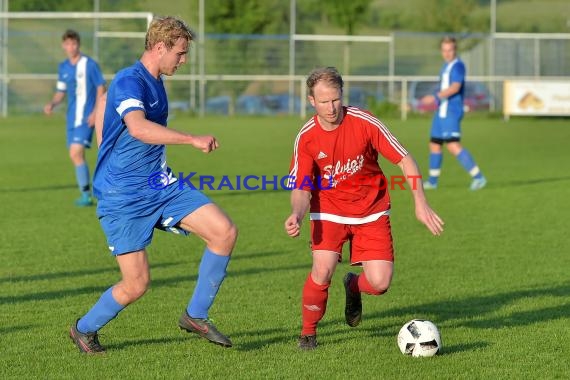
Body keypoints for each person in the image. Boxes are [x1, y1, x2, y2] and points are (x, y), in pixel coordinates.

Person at [69, 16, 238, 354]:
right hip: (123, 198)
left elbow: (106, 110)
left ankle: (195, 315)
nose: (184, 60)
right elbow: (138, 128)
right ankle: (83, 329)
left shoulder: (155, 79)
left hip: (159, 184)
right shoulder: (131, 81)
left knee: (224, 231)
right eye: (180, 53)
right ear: (160, 48)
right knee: (136, 284)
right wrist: (191, 139)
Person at [284, 67, 444, 350]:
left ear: (342, 95)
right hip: (329, 210)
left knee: (380, 283)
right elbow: (301, 186)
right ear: (311, 101)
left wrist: (420, 203)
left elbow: (405, 160)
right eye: (323, 102)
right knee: (322, 270)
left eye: (335, 99)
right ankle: (308, 333)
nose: (331, 107)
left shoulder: (364, 122)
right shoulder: (306, 137)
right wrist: (296, 214)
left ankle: (353, 285)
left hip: (371, 209)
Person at [44, 29, 106, 206]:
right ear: (63, 46)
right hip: (71, 118)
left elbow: (101, 87)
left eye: (74, 43)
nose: (71, 47)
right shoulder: (63, 67)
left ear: (78, 44)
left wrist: (96, 112)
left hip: (86, 118)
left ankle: (88, 195)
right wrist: (52, 104)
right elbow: (60, 92)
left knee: (75, 152)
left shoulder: (89, 64)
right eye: (68, 44)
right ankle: (86, 193)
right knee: (76, 156)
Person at [420, 36, 487, 191]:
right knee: (435, 144)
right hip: (440, 111)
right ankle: (432, 182)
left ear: (455, 50)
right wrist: (435, 99)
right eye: (444, 50)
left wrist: (435, 97)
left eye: (450, 50)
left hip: (451, 111)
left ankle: (479, 178)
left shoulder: (458, 66)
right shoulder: (445, 66)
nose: (447, 53)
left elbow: (455, 87)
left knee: (452, 145)